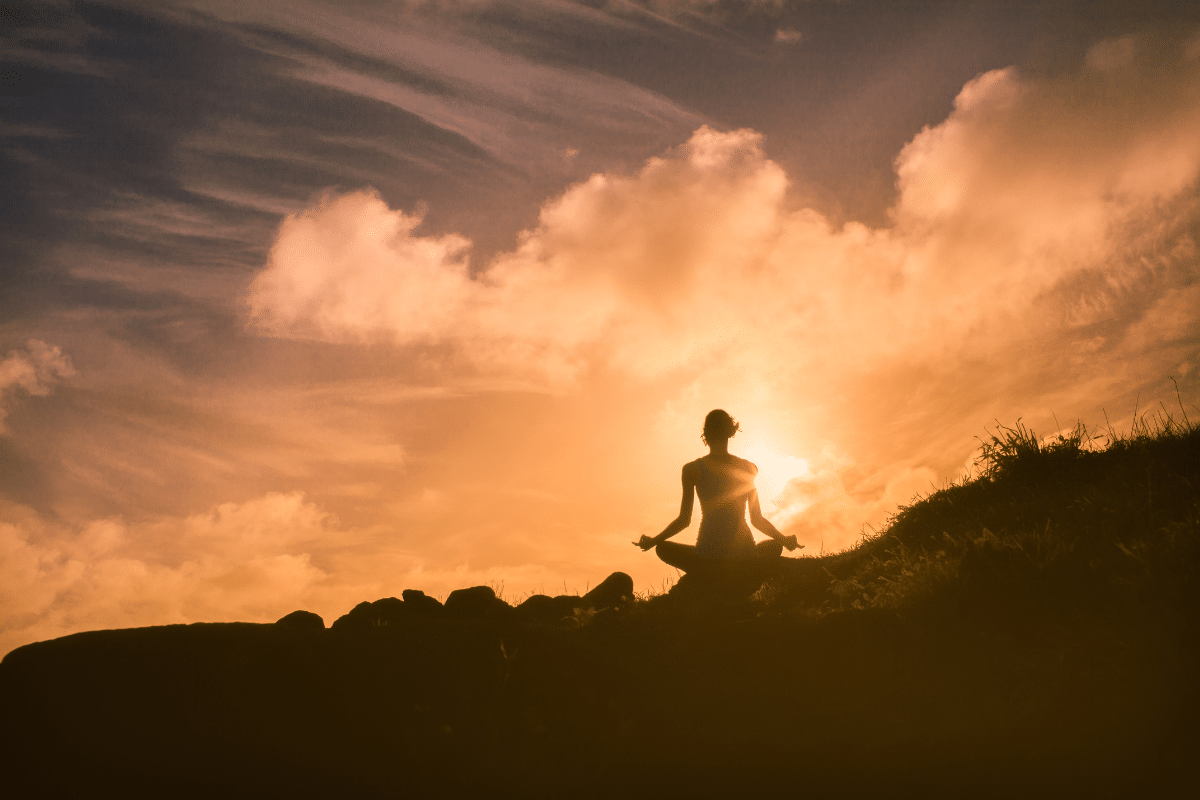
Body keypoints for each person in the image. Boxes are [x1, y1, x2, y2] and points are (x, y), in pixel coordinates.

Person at [635, 409, 801, 572]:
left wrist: (653, 541)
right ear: (730, 432)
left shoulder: (692, 469)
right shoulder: (748, 468)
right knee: (774, 546)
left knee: (662, 548)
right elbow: (756, 519)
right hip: (744, 554)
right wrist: (784, 540)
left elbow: (684, 520)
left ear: (705, 434)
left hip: (708, 556)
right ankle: (749, 568)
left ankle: (707, 573)